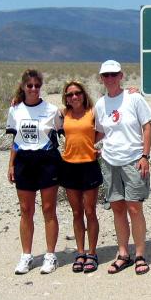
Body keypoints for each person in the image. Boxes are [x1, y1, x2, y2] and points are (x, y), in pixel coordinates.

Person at [94, 60, 151, 275]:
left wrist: (145, 156)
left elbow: (147, 126)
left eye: (114, 74)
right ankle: (123, 254)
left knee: (134, 208)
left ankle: (139, 254)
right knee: (117, 208)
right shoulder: (100, 104)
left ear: (121, 76)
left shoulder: (133, 98)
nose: (110, 78)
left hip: (133, 159)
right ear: (101, 78)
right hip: (110, 161)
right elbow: (100, 131)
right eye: (106, 75)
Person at [6, 69, 63, 275]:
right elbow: (15, 140)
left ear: (41, 87)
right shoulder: (15, 110)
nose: (33, 89)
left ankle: (50, 255)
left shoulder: (51, 110)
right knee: (26, 210)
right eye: (29, 86)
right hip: (24, 162)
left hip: (47, 161)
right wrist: (11, 165)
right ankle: (26, 256)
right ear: (23, 87)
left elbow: (66, 126)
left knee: (49, 209)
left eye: (37, 86)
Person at [59, 80, 102, 273]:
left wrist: (92, 143)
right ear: (66, 98)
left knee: (90, 211)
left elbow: (104, 127)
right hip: (69, 166)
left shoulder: (93, 111)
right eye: (70, 95)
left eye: (77, 93)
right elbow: (36, 107)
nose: (74, 97)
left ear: (84, 94)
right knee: (76, 213)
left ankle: (92, 253)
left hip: (89, 165)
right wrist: (17, 101)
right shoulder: (62, 113)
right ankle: (80, 252)